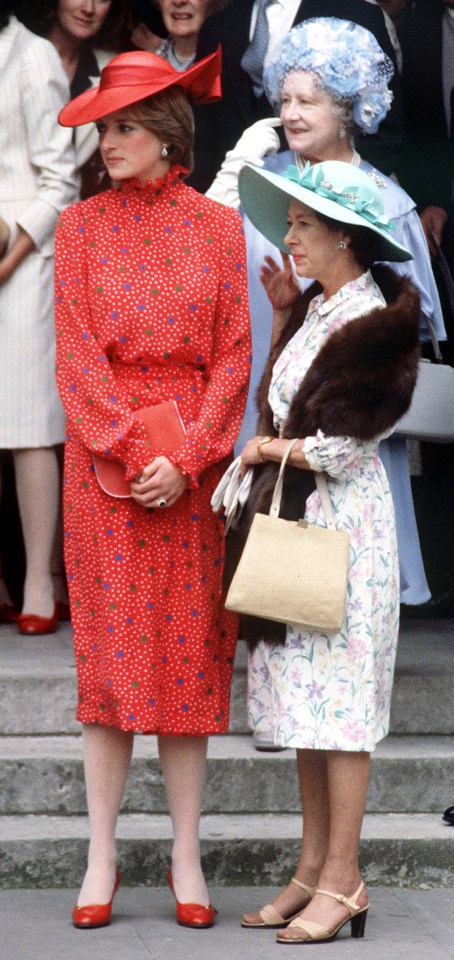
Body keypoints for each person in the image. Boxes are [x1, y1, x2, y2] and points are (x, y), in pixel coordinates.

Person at [54, 48, 251, 928]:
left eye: (123, 124)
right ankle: (101, 855)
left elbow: (236, 356)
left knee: (185, 661)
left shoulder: (218, 228)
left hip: (192, 474)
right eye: (104, 126)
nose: (108, 140)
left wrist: (196, 453)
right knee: (108, 666)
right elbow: (76, 354)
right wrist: (138, 454)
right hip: (106, 476)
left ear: (168, 134)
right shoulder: (79, 227)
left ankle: (184, 854)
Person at [234, 158, 419, 943]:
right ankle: (312, 868)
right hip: (303, 526)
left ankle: (344, 880)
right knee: (309, 708)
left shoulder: (375, 319)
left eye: (305, 224)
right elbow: (282, 398)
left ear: (345, 236)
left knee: (342, 712)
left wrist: (264, 453)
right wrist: (280, 319)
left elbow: (341, 446)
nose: (290, 236)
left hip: (346, 532)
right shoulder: (318, 307)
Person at [208, 17, 445, 613]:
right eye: (284, 97)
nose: (290, 113)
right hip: (264, 388)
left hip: (345, 420)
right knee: (268, 576)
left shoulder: (384, 203)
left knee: (342, 586)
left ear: (349, 108)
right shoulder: (264, 183)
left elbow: (411, 324)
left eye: (308, 100)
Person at [0, 4, 77, 631]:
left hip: (22, 261)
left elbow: (62, 179)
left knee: (27, 426)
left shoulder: (33, 55)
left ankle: (37, 587)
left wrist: (11, 255)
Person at [195, 0, 403, 191]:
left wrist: (331, 201)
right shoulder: (218, 25)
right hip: (233, 207)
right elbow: (204, 139)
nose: (290, 114)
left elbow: (384, 135)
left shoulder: (356, 13)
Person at [18, 0, 131, 197]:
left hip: (76, 216)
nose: (88, 8)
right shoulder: (13, 59)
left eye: (102, 0)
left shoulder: (115, 70)